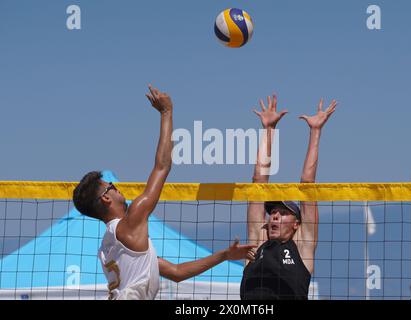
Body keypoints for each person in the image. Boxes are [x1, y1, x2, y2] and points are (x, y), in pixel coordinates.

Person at [73, 84, 255, 300]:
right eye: (111, 186)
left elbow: (177, 273)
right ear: (105, 198)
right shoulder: (131, 222)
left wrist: (224, 255)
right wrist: (166, 112)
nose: (117, 187)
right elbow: (162, 166)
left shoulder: (109, 246)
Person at [240, 94, 337, 300]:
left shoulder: (302, 246)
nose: (274, 215)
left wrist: (315, 131)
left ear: (296, 224)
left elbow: (307, 184)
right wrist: (268, 130)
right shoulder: (258, 242)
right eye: (273, 211)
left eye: (283, 213)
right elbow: (258, 182)